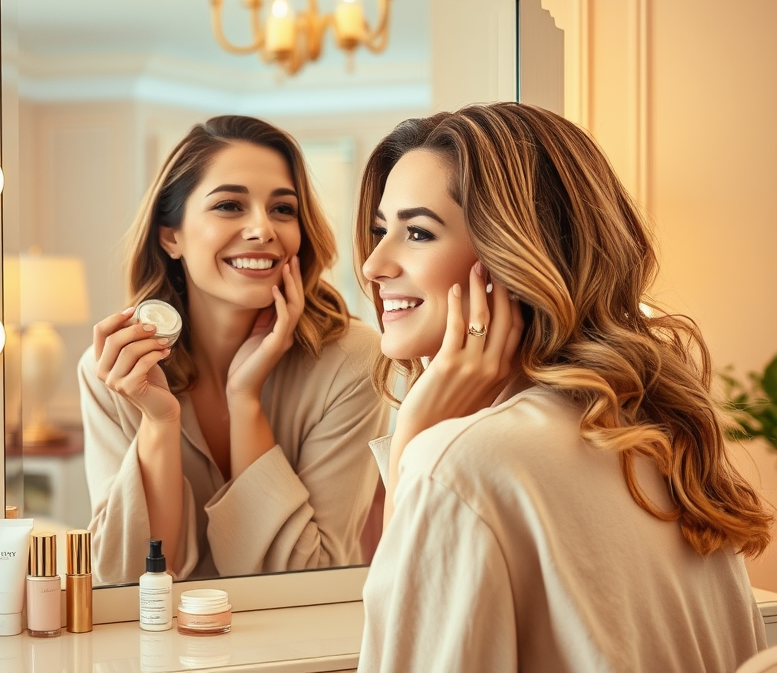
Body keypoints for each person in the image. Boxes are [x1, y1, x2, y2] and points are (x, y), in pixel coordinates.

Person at [354, 102, 772, 672]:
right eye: (382, 230)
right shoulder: (657, 436)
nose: (375, 264)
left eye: (418, 232)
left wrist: (416, 441)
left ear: (512, 257)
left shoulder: (461, 464)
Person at [78, 115, 386, 583]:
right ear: (171, 235)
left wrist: (245, 401)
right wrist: (158, 422)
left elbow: (307, 581)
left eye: (283, 210)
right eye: (229, 206)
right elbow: (125, 584)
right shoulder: (114, 369)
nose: (263, 229)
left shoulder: (353, 361)